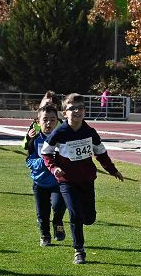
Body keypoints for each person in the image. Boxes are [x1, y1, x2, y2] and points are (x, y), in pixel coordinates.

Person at [41, 93, 124, 265]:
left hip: (87, 180)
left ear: (85, 111)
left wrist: (112, 170)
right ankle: (79, 251)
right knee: (75, 215)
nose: (77, 111)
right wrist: (54, 168)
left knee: (89, 218)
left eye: (80, 108)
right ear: (65, 113)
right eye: (72, 108)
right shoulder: (59, 132)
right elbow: (46, 153)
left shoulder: (90, 132)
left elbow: (101, 153)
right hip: (67, 181)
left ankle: (78, 224)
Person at [25, 105, 67, 246]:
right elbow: (29, 161)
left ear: (57, 122)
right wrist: (44, 161)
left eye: (52, 120)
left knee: (59, 207)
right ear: (38, 122)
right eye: (45, 120)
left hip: (58, 182)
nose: (48, 123)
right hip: (40, 182)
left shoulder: (62, 140)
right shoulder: (34, 141)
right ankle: (45, 236)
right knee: (42, 213)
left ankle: (58, 222)